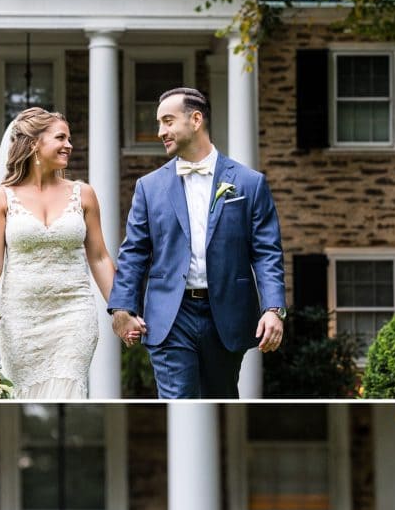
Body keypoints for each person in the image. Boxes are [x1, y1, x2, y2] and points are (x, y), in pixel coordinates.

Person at [108, 87, 286, 399]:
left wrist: (273, 308)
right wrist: (122, 307)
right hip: (170, 314)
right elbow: (134, 251)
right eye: (159, 123)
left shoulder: (249, 183)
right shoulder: (149, 188)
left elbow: (266, 252)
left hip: (227, 312)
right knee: (178, 399)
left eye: (167, 121)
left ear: (195, 119)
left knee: (222, 398)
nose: (160, 131)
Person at [0, 107, 141, 398]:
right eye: (61, 137)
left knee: (69, 387)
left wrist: (121, 310)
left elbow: (99, 257)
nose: (69, 145)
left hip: (74, 313)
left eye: (69, 138)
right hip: (20, 318)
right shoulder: (1, 198)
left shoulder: (83, 194)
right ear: (34, 144)